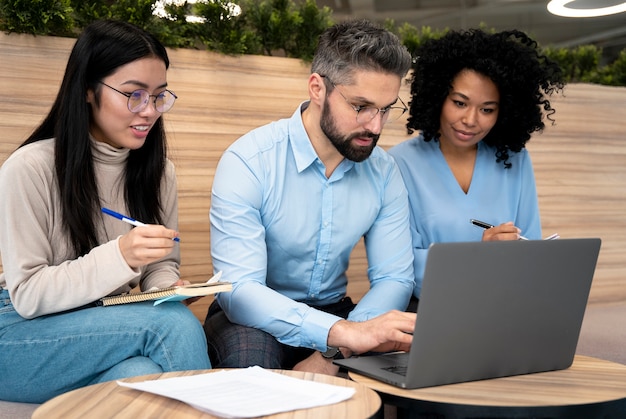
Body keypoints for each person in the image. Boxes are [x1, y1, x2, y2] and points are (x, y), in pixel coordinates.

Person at [0, 20, 211, 404]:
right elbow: (27, 295)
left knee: (139, 377)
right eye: (134, 95)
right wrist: (120, 255)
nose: (149, 111)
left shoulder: (159, 172)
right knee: (172, 326)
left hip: (101, 325)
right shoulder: (28, 168)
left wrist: (164, 288)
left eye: (159, 96)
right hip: (17, 332)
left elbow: (162, 265)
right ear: (87, 91)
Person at [203, 19, 417, 375]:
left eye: (386, 109)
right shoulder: (249, 161)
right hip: (252, 314)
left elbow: (396, 278)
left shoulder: (384, 171)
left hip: (337, 311)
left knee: (365, 385)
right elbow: (239, 290)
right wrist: (342, 334)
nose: (376, 126)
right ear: (318, 88)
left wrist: (339, 348)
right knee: (248, 363)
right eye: (361, 106)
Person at [388, 29, 565, 305]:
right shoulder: (400, 163)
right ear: (437, 97)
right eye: (460, 103)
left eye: (487, 109)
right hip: (432, 308)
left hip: (503, 304)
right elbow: (400, 264)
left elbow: (531, 248)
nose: (471, 120)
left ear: (503, 112)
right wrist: (479, 258)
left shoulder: (516, 160)